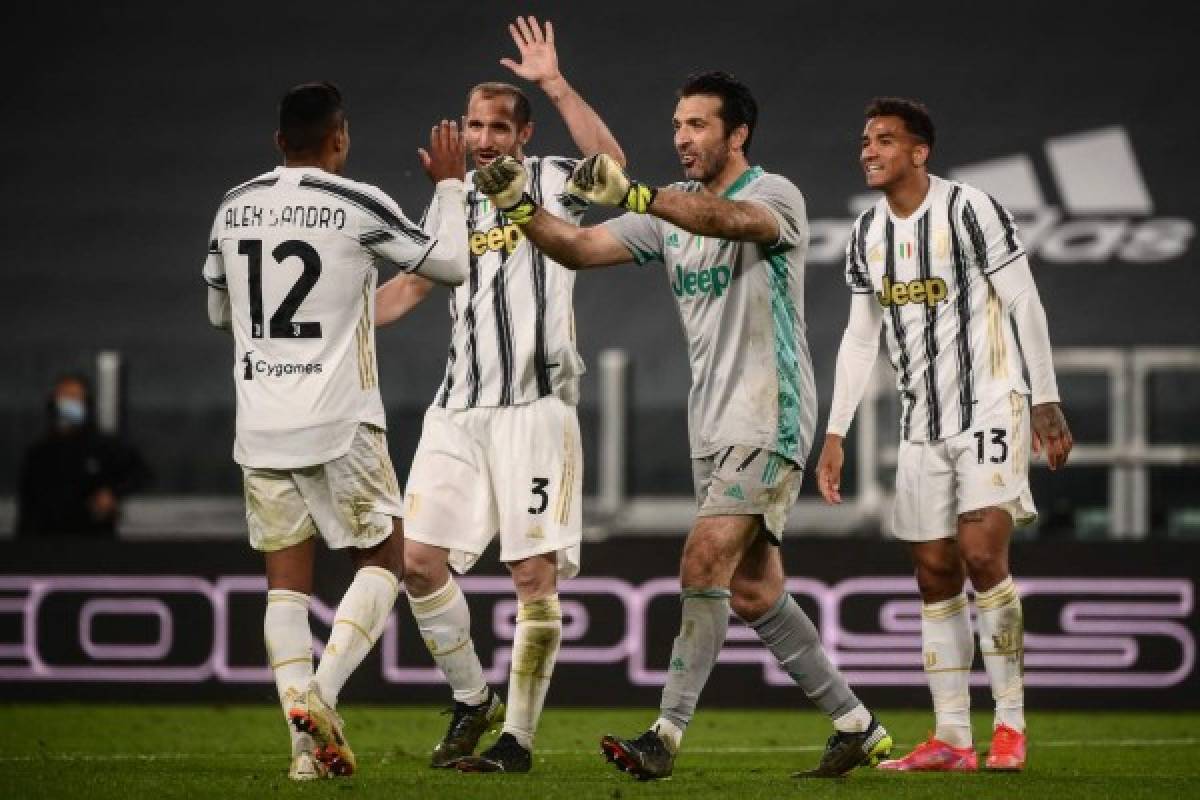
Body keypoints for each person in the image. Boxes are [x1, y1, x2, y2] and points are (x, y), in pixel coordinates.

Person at [472, 70, 891, 782]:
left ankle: (664, 735)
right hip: (713, 424)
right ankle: (858, 726)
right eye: (676, 125)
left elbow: (729, 222)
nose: (681, 138)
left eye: (697, 125)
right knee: (755, 591)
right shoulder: (667, 213)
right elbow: (577, 247)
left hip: (772, 414)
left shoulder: (773, 194)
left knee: (701, 563)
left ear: (737, 134)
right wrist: (516, 206)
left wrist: (639, 196)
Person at [374, 16, 625, 774]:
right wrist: (333, 323)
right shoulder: (452, 202)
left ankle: (516, 741)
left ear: (523, 133)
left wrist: (554, 81)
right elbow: (415, 282)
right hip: (457, 409)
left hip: (535, 410)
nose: (482, 139)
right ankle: (472, 697)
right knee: (415, 562)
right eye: (473, 124)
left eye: (496, 127)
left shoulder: (550, 178)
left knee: (531, 578)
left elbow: (613, 168)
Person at [203, 81, 469, 781]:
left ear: (277, 141)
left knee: (285, 590)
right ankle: (320, 698)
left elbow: (216, 313)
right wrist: (447, 188)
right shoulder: (358, 203)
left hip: (260, 421)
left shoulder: (232, 207)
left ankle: (302, 755)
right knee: (383, 561)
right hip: (340, 419)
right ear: (339, 140)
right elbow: (450, 264)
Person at [814, 97, 1074, 772]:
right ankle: (953, 737)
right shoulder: (867, 232)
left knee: (983, 555)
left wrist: (1045, 400)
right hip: (918, 425)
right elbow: (859, 335)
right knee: (934, 574)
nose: (868, 150)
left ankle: (1010, 726)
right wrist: (835, 430)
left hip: (991, 405)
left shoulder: (971, 209)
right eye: (865, 140)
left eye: (885, 140)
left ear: (919, 152)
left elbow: (1023, 301)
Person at [16, 374, 150, 536]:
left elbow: (141, 473)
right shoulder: (39, 453)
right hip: (48, 541)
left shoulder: (103, 446)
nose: (69, 404)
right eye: (64, 397)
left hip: (93, 539)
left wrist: (112, 493)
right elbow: (27, 506)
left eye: (75, 397)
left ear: (86, 402)